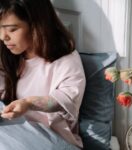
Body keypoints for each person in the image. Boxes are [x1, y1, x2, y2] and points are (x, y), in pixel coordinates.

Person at [0, 0, 86, 150]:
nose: (3, 37)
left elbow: (65, 99)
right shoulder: (10, 55)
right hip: (14, 132)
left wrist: (28, 103)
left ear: (36, 25)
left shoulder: (66, 59)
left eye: (12, 29)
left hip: (53, 139)